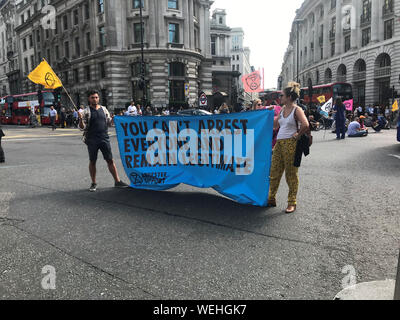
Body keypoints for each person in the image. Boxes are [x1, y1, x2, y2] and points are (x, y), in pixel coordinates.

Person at [268, 82, 310, 214]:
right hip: (279, 143)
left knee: (291, 174)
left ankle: (292, 202)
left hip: (291, 144)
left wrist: (297, 135)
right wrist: (269, 114)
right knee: (274, 171)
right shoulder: (281, 110)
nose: (280, 98)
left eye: (282, 95)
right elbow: (275, 125)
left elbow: (305, 124)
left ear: (289, 97)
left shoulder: (297, 110)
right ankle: (271, 198)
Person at [78, 90, 129, 192]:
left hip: (104, 138)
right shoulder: (85, 111)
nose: (95, 99)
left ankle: (117, 181)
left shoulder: (104, 109)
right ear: (89, 99)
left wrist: (113, 119)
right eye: (92, 97)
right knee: (93, 161)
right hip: (92, 139)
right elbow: (81, 128)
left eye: (96, 97)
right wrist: (80, 119)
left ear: (99, 98)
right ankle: (93, 183)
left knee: (110, 160)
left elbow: (109, 123)